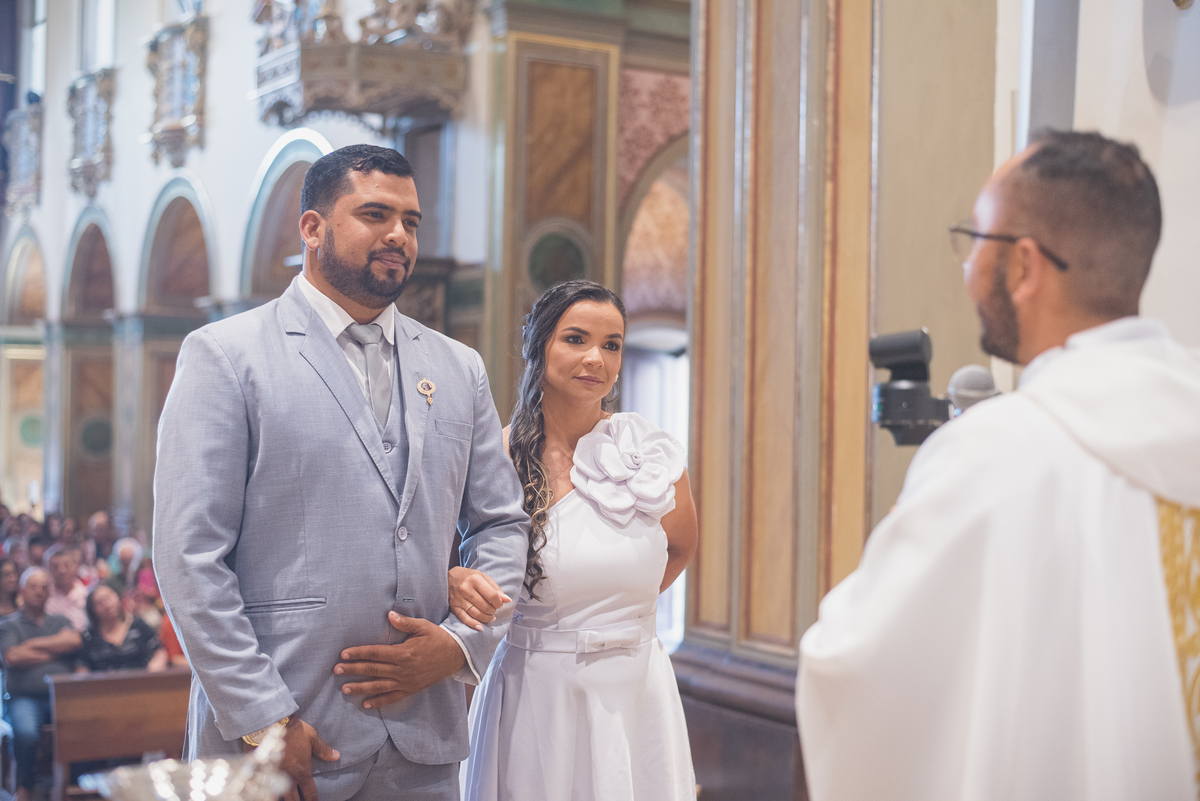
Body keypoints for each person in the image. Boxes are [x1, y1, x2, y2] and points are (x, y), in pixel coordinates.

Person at [797, 130, 1200, 801]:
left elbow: (856, 668)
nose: (966, 269)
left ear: (1024, 266)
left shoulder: (994, 456)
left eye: (975, 238)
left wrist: (891, 551)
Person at [153, 144, 530, 801]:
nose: (398, 235)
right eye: (375, 214)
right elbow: (189, 557)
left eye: (411, 221)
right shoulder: (227, 356)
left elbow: (501, 524)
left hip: (423, 744)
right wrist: (265, 716)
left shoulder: (457, 366)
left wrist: (462, 644)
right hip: (282, 735)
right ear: (312, 227)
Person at [458, 280, 699, 801]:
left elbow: (681, 546)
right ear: (537, 346)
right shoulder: (497, 458)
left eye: (612, 344)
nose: (596, 358)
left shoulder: (649, 451)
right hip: (541, 693)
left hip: (639, 687)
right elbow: (455, 562)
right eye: (576, 339)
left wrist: (616, 609)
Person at [0, 569, 83, 801]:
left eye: (44, 587)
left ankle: (71, 785)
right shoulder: (8, 624)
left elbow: (74, 640)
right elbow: (12, 656)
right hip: (23, 698)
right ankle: (24, 789)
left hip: (62, 697)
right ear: (22, 590)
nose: (39, 591)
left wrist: (31, 645)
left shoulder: (60, 620)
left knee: (84, 725)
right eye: (34, 586)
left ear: (50, 593)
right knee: (26, 733)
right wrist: (56, 652)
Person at [78, 584, 167, 672]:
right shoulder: (89, 637)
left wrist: (154, 669)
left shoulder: (137, 624)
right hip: (105, 681)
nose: (107, 605)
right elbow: (82, 667)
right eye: (100, 602)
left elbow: (159, 651)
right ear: (92, 609)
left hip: (142, 678)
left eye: (109, 598)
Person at [46, 548, 88, 631]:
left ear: (76, 567)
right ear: (48, 570)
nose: (62, 571)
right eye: (55, 567)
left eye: (66, 565)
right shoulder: (44, 596)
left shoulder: (86, 594)